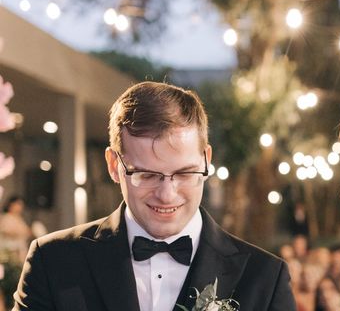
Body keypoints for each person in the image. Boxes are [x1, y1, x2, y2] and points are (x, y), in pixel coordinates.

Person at [13, 81, 295, 310]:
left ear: (206, 160)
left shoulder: (265, 278)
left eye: (185, 174)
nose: (166, 194)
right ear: (114, 166)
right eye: (146, 175)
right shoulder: (53, 261)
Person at [0, 196, 32, 263]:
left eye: (21, 205)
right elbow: (6, 232)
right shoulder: (7, 217)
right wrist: (18, 232)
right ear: (11, 205)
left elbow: (25, 232)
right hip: (11, 250)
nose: (20, 207)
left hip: (21, 250)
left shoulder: (20, 219)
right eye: (18, 204)